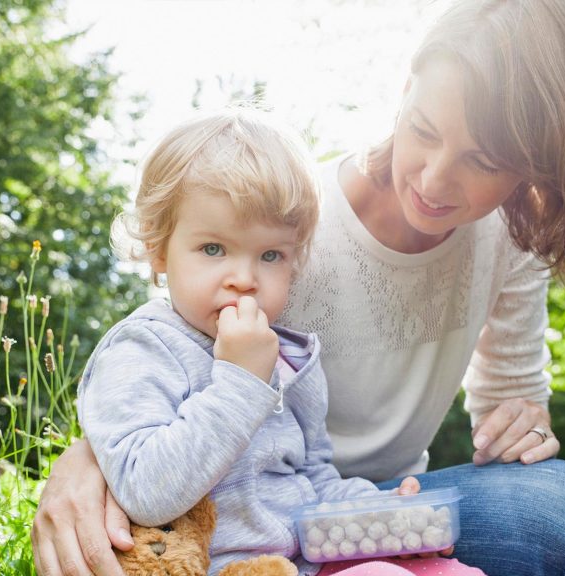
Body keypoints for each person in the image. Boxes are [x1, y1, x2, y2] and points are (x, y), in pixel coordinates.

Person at [31, 1, 565, 576]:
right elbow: (169, 339)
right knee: (560, 517)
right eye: (424, 131)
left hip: (363, 501)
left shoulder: (511, 235)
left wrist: (522, 426)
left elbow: (508, 403)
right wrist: (93, 455)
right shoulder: (290, 232)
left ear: (532, 168)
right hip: (263, 512)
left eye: (483, 161)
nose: (436, 180)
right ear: (405, 89)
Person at [75, 109, 482, 576]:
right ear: (159, 248)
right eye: (213, 249)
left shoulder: (290, 358)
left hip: (306, 560)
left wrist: (379, 509)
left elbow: (315, 479)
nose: (244, 279)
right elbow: (144, 491)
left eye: (271, 255)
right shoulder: (142, 347)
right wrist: (240, 381)